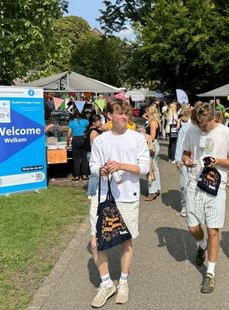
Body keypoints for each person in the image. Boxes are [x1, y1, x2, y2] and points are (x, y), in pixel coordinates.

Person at [88, 98, 150, 307]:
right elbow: (93, 166)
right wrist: (102, 170)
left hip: (128, 196)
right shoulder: (100, 140)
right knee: (96, 242)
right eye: (120, 113)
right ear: (110, 116)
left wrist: (121, 165)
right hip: (103, 196)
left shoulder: (137, 138)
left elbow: (144, 168)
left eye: (126, 113)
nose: (125, 117)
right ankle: (106, 284)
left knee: (126, 240)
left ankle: (123, 281)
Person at [182, 102, 229, 293]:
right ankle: (201, 245)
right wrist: (187, 160)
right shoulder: (192, 130)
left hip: (216, 186)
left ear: (212, 118)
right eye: (198, 125)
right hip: (193, 184)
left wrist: (218, 161)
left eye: (204, 125)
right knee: (192, 226)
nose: (201, 128)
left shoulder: (226, 133)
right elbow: (186, 153)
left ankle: (210, 273)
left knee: (213, 229)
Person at [174, 105, 192, 217]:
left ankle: (194, 207)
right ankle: (185, 206)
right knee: (185, 185)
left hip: (197, 162)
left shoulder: (203, 129)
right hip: (184, 161)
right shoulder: (184, 129)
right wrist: (177, 160)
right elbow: (180, 144)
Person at [145, 104, 162, 201]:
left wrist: (143, 136)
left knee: (150, 168)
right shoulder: (154, 121)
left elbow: (152, 136)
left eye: (147, 111)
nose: (145, 113)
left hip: (152, 145)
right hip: (154, 145)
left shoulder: (153, 123)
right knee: (154, 167)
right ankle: (156, 188)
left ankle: (152, 190)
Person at [67, 108, 89, 181]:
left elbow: (69, 134)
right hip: (84, 139)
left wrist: (67, 142)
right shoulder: (86, 121)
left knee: (76, 158)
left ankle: (76, 176)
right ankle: (84, 175)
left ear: (75, 114)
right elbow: (88, 130)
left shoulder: (72, 122)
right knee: (84, 158)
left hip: (75, 139)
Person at [86, 114, 103, 198]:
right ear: (93, 122)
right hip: (93, 155)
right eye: (99, 121)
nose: (101, 122)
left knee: (95, 174)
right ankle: (91, 193)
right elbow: (94, 146)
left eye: (100, 120)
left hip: (92, 154)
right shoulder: (93, 132)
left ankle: (93, 191)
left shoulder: (94, 130)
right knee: (94, 175)